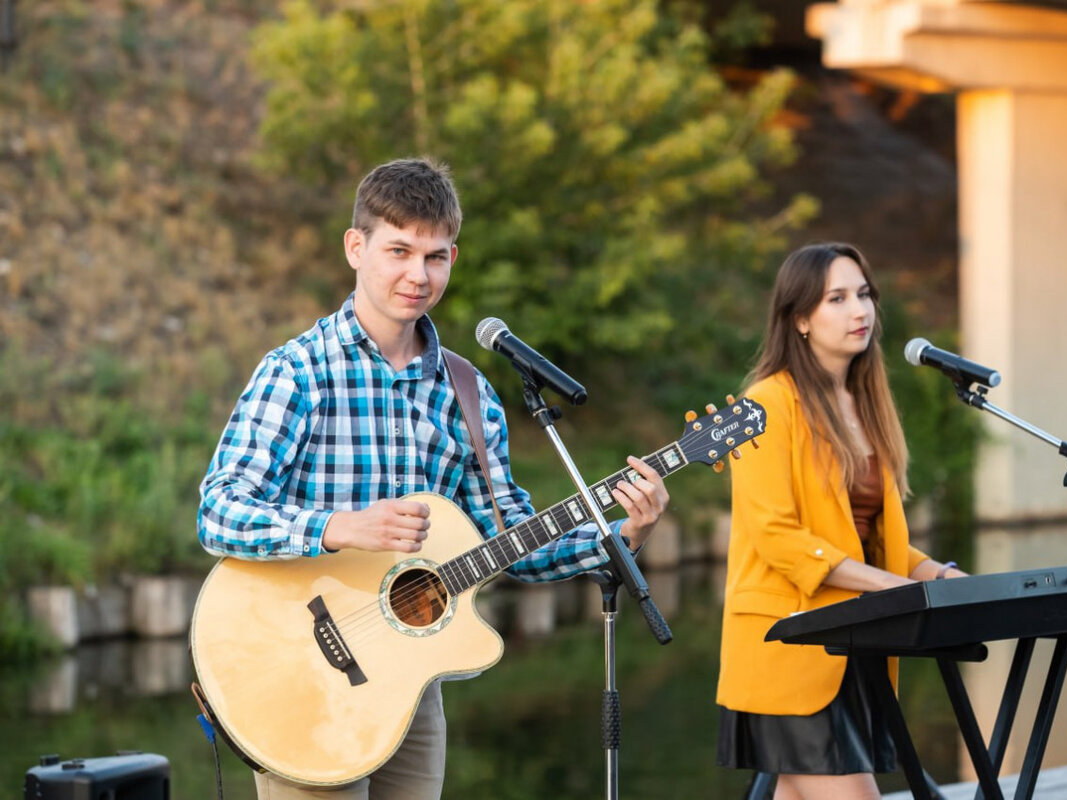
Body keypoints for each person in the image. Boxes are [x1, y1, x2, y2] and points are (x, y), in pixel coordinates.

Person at [197, 157, 670, 800]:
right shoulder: (297, 372)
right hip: (301, 676)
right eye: (399, 251)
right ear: (355, 248)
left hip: (409, 682)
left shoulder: (468, 393)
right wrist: (338, 527)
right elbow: (219, 512)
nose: (417, 275)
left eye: (436, 256)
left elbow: (512, 541)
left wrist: (624, 529)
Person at [715, 242, 966, 800]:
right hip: (789, 650)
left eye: (864, 294)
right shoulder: (763, 406)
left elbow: (876, 543)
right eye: (837, 298)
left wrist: (939, 578)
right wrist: (892, 589)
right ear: (800, 318)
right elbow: (776, 538)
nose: (860, 310)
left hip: (853, 649)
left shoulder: (866, 403)